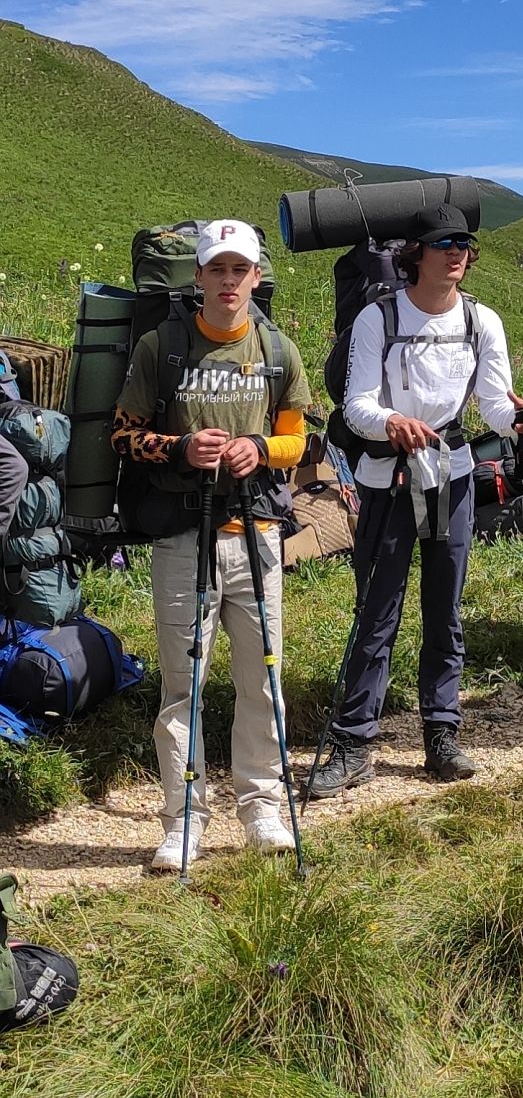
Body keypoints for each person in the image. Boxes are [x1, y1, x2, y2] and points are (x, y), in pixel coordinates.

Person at [306, 205, 523, 796]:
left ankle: (442, 732)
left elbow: (490, 402)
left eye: (463, 243)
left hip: (452, 473)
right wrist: (393, 423)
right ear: (417, 252)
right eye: (443, 243)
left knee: (446, 607)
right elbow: (356, 405)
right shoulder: (376, 318)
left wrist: (515, 417)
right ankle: (354, 740)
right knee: (377, 610)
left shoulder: (482, 321)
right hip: (387, 479)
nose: (456, 252)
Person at [111, 219, 311, 870]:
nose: (228, 281)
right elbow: (123, 434)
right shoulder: (159, 346)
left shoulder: (278, 349)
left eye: (239, 269)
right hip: (181, 538)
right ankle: (184, 822)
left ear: (256, 277)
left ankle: (262, 811)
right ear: (197, 278)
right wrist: (176, 447)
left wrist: (258, 448)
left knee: (263, 681)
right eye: (216, 269)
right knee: (182, 687)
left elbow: (296, 439)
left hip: (256, 535)